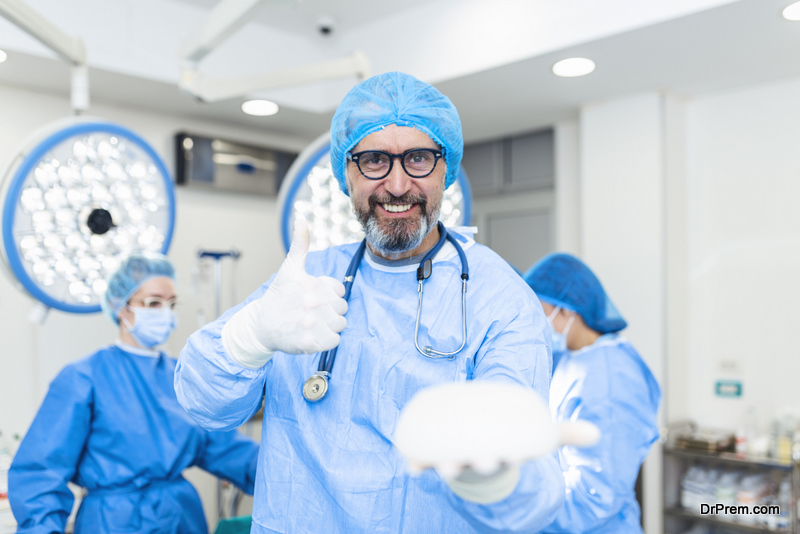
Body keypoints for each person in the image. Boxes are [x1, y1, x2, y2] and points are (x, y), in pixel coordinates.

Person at [175, 71, 565, 533]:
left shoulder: (496, 296)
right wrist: (251, 336)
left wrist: (495, 470)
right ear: (346, 171)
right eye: (374, 160)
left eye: (419, 158)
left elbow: (526, 476)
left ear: (447, 169)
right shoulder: (306, 281)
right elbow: (205, 407)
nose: (397, 185)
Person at [10, 254, 259, 534]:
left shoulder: (184, 377)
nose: (165, 312)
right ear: (121, 306)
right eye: (153, 303)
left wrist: (288, 470)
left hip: (181, 517)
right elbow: (41, 471)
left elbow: (224, 448)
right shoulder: (83, 377)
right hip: (113, 522)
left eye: (171, 304)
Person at [523, 253, 661, 533]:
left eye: (539, 311)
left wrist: (523, 513)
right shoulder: (572, 359)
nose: (533, 322)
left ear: (567, 309)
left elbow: (596, 496)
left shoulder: (609, 377)